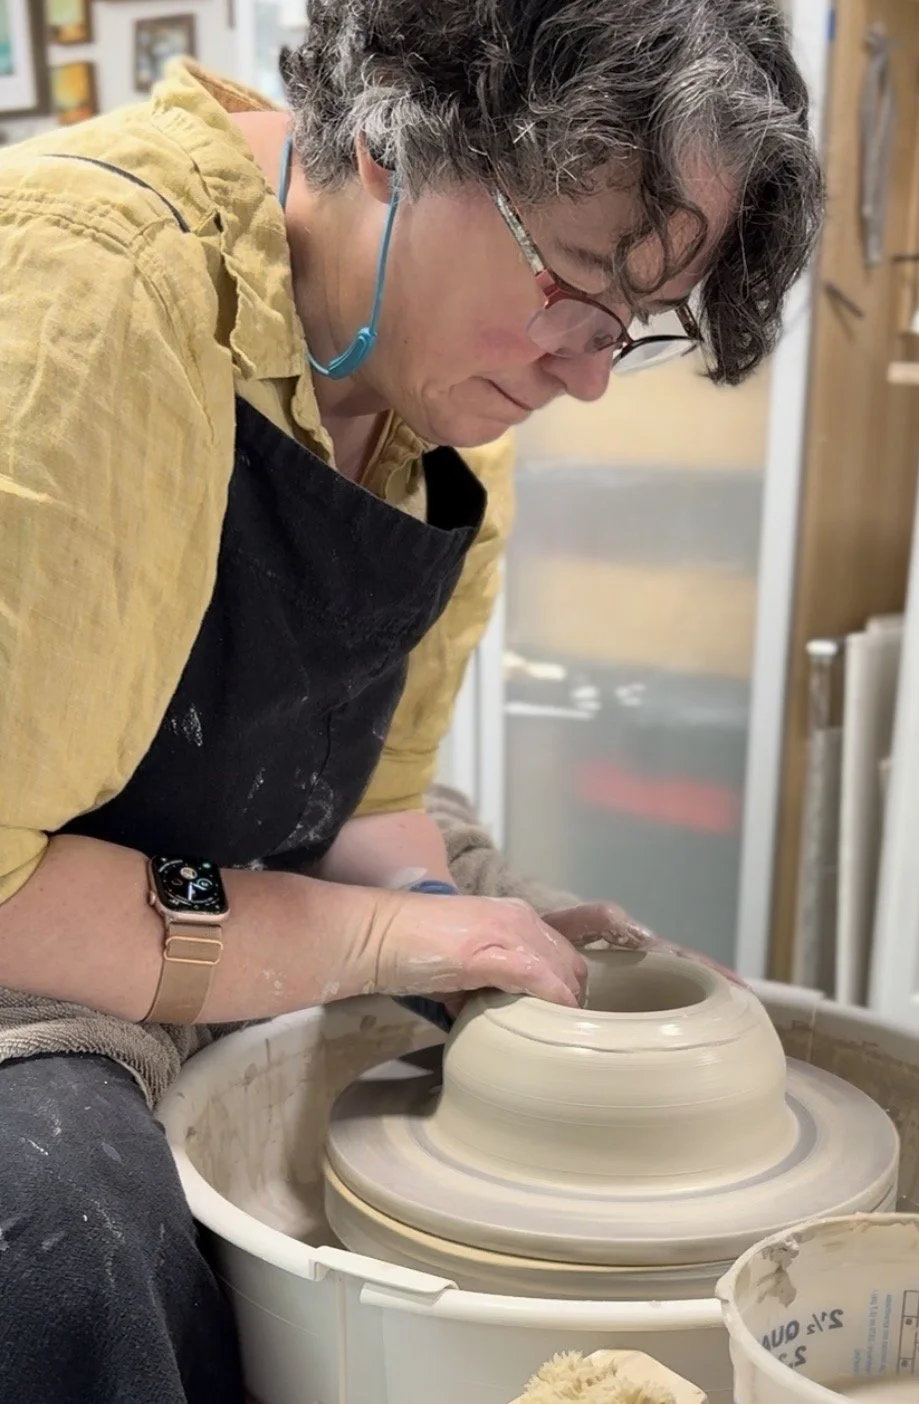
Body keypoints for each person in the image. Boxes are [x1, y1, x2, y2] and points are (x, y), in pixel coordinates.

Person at [0, 0, 822, 1397]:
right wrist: (373, 939)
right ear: (392, 132)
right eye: (570, 279)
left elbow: (363, 799)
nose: (585, 374)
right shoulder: (90, 298)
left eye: (628, 324)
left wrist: (456, 932)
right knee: (58, 1232)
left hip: (175, 900)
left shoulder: (449, 407)